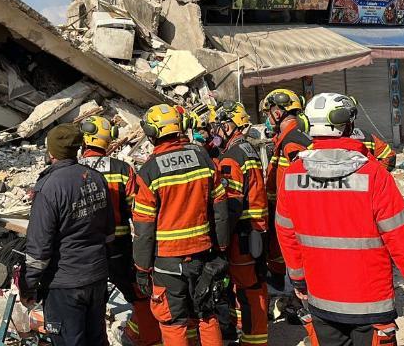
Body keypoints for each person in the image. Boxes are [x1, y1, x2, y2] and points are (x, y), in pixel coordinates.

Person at [278, 93, 404, 346]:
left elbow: (286, 234)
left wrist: (299, 280)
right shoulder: (373, 175)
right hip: (370, 304)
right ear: (347, 124)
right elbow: (402, 237)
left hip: (321, 301)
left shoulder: (292, 176)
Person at [132, 104, 231, 346]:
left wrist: (142, 269)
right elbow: (220, 211)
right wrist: (221, 249)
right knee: (206, 313)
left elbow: (144, 229)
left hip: (167, 262)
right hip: (203, 253)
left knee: (172, 322)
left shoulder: (149, 171)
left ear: (152, 133)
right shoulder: (203, 158)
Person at [21, 123, 113, 346]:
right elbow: (109, 231)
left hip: (65, 285)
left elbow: (39, 248)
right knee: (97, 340)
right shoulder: (96, 178)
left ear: (51, 151)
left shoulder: (48, 188)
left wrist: (28, 286)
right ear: (78, 149)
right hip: (97, 277)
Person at [77, 116, 161, 346]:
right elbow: (140, 209)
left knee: (86, 302)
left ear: (85, 140)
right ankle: (151, 339)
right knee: (140, 296)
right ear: (109, 140)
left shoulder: (73, 171)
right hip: (119, 247)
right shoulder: (122, 169)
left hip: (82, 250)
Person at [213, 101, 269, 346]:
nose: (215, 131)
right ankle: (244, 329)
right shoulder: (247, 149)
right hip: (257, 228)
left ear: (228, 126)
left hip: (243, 233)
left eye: (218, 126)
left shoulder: (232, 157)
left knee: (248, 289)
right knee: (251, 284)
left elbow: (231, 205)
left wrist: (220, 239)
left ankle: (253, 339)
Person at [260, 89, 312, 288]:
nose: (267, 117)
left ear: (278, 112)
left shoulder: (292, 143)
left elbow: (304, 183)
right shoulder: (287, 139)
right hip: (287, 212)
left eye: (268, 112)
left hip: (295, 217)